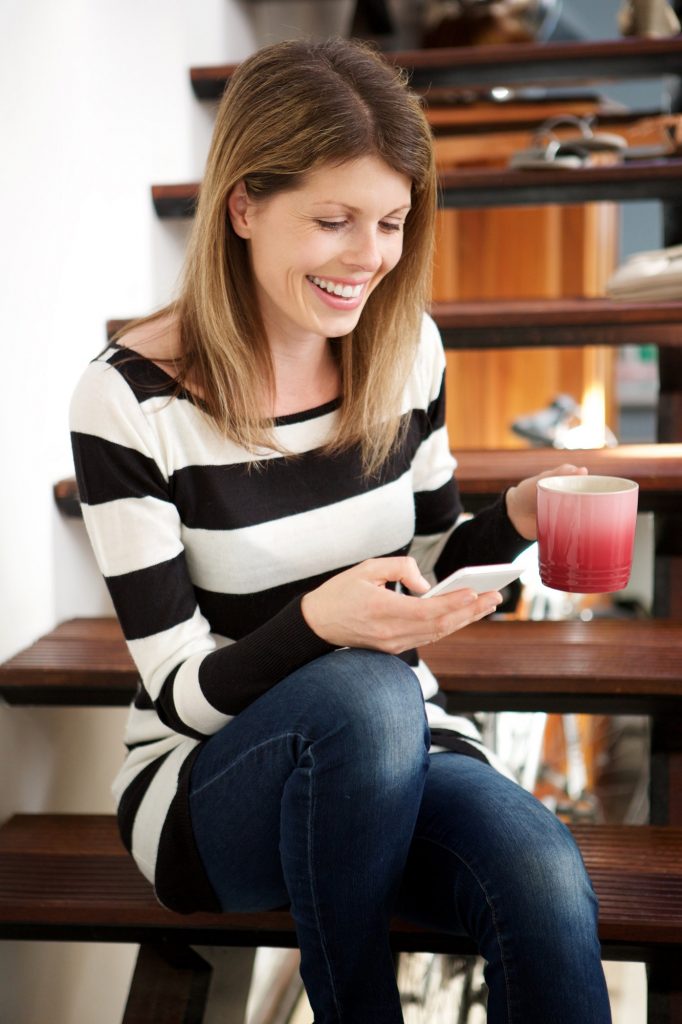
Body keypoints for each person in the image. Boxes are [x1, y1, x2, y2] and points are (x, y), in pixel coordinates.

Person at [70, 37, 612, 1024]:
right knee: (364, 691)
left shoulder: (406, 348)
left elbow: (428, 568)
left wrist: (513, 522)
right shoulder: (130, 401)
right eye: (333, 219)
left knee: (540, 875)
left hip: (403, 741)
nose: (369, 255)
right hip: (215, 777)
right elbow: (184, 691)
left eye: (392, 222)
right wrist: (321, 625)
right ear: (243, 205)